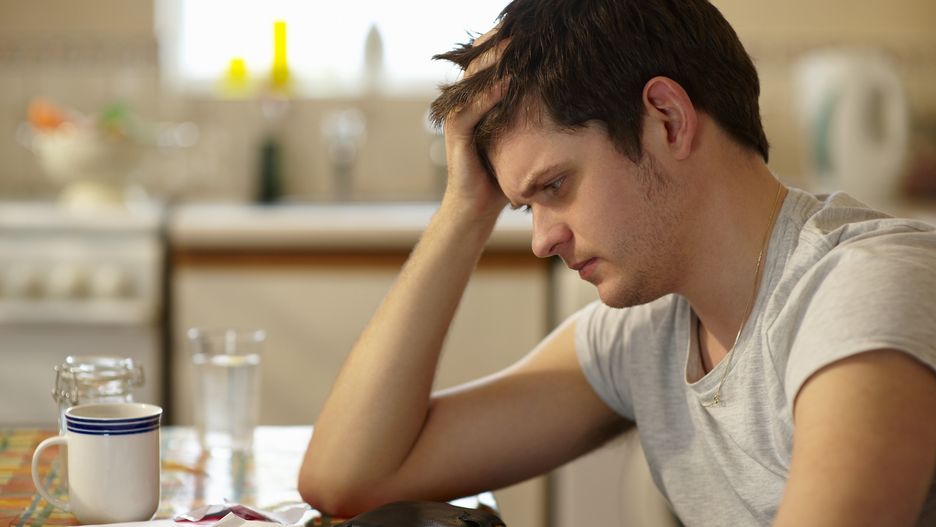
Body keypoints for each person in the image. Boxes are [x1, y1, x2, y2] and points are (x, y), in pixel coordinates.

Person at [298, 0, 936, 525]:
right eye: (525, 206)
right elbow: (346, 478)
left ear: (668, 119)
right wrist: (464, 210)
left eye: (555, 186)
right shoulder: (649, 332)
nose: (542, 241)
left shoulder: (862, 289)